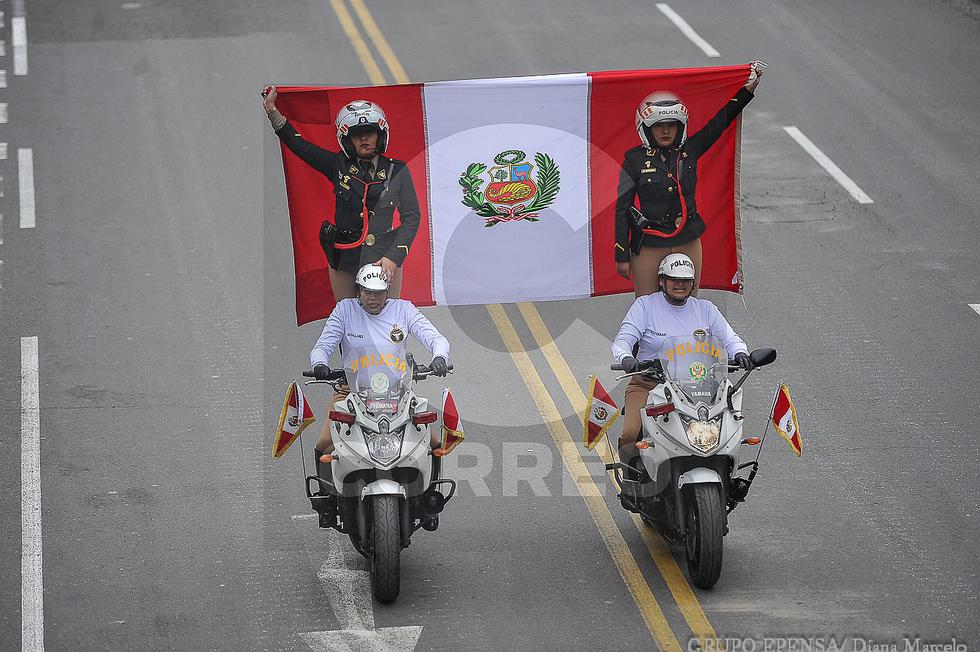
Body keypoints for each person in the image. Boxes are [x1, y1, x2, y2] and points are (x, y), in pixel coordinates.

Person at [614, 62, 765, 297]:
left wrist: (747, 91)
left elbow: (720, 122)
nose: (666, 131)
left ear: (680, 127)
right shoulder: (633, 160)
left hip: (688, 240)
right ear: (645, 129)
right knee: (646, 308)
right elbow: (622, 209)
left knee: (688, 305)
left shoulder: (690, 150)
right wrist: (622, 256)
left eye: (671, 126)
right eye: (659, 127)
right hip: (649, 244)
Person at [262, 88, 422, 300]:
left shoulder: (397, 170)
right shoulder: (338, 165)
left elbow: (412, 217)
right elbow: (300, 146)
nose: (364, 139)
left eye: (370, 133)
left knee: (389, 319)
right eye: (357, 135)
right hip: (346, 256)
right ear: (347, 140)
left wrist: (393, 257)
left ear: (380, 135)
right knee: (347, 318)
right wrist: (272, 111)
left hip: (384, 256)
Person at [611, 253, 753, 473]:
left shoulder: (705, 309)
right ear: (661, 281)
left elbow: (730, 338)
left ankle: (727, 476)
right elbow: (622, 341)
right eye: (674, 279)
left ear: (693, 283)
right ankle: (634, 482)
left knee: (727, 431)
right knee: (631, 433)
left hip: (702, 389)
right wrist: (627, 358)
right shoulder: (645, 306)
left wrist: (741, 353)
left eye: (686, 280)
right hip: (650, 386)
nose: (680, 284)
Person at [308, 263, 450, 481]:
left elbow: (436, 339)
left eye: (378, 293)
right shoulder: (345, 310)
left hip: (399, 396)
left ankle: (430, 498)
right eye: (367, 292)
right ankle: (325, 505)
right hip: (350, 394)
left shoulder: (403, 310)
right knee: (326, 442)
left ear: (387, 292)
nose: (372, 298)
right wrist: (320, 364)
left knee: (432, 442)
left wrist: (440, 357)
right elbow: (323, 346)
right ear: (358, 291)